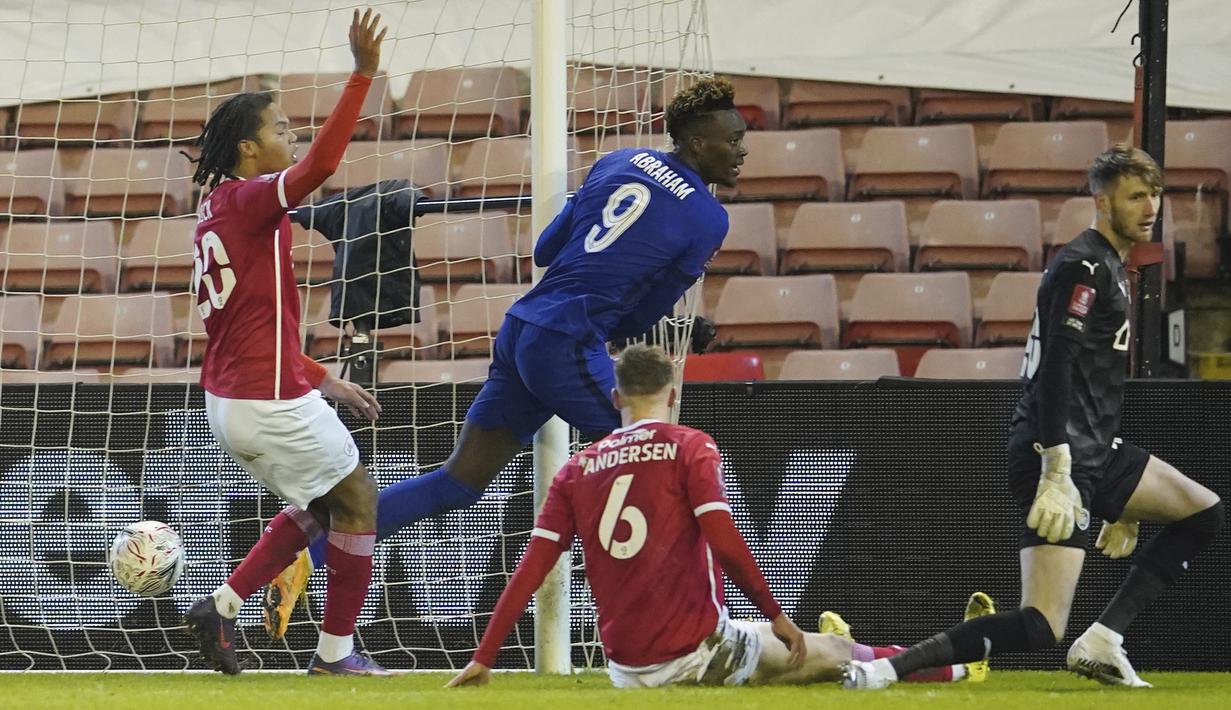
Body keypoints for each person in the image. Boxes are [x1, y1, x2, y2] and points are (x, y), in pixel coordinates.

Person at [262, 78, 744, 638]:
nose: (743, 151)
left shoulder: (618, 161)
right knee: (664, 460)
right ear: (697, 142)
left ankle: (306, 557)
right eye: (732, 140)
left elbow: (544, 251)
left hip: (522, 328)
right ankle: (699, 628)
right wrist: (673, 322)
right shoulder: (710, 219)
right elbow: (637, 320)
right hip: (567, 340)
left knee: (460, 480)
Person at [844, 145, 1224, 691]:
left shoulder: (1113, 265)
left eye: (1155, 195)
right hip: (1057, 451)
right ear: (1101, 200)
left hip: (1097, 449)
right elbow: (1056, 368)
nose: (1151, 207)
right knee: (1041, 624)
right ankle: (885, 667)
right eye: (1136, 196)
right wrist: (1057, 466)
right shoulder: (1085, 264)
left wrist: (1125, 504)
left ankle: (1103, 640)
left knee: (1203, 513)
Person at [444, 345, 986, 688]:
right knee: (836, 656)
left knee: (805, 645)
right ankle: (959, 663)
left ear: (615, 399)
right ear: (673, 394)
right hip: (697, 654)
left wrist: (484, 657)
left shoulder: (576, 468)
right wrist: (777, 615)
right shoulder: (689, 445)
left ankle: (822, 640)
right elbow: (727, 544)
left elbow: (531, 570)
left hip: (626, 669)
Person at [181, 9, 394, 676]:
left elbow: (251, 325)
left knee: (323, 504)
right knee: (358, 500)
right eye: (278, 127)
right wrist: (361, 76)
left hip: (235, 396)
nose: (291, 134)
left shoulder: (216, 211)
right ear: (248, 149)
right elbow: (323, 164)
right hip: (264, 397)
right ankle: (335, 655)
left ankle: (221, 604)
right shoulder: (250, 201)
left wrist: (322, 377)